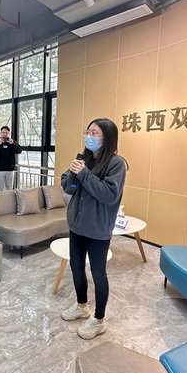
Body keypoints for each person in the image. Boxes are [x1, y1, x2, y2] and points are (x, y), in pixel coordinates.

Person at [60, 118, 127, 340]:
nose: (89, 136)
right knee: (76, 267)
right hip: (77, 225)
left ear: (107, 137)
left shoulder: (116, 164)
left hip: (97, 229)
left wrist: (83, 174)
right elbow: (68, 187)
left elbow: (109, 195)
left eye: (94, 133)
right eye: (88, 132)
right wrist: (74, 174)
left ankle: (99, 320)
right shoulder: (84, 159)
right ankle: (82, 306)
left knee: (98, 273)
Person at [0, 126, 22, 191]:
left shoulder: (12, 142)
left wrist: (13, 144)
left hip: (10, 170)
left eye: (6, 133)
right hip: (0, 170)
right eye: (3, 132)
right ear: (1, 133)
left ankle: (8, 198)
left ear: (9, 134)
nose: (5, 134)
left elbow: (19, 151)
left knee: (9, 188)